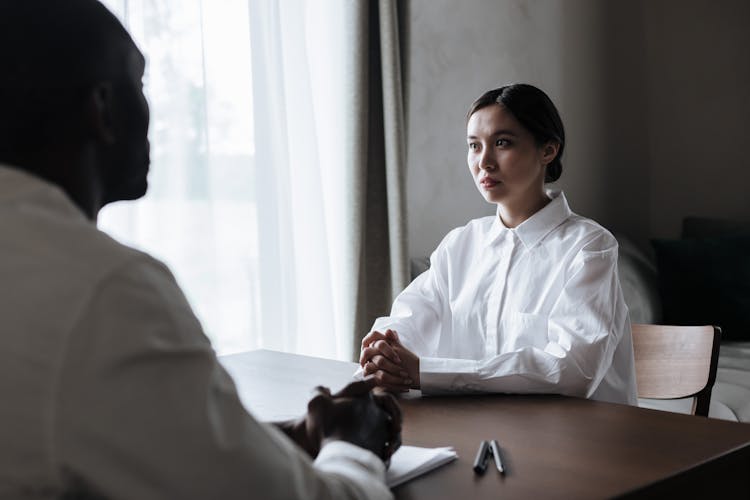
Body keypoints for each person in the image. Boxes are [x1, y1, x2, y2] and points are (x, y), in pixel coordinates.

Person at [0, 1, 401, 499]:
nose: (156, 114)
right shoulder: (102, 291)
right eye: (141, 84)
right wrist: (353, 443)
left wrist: (282, 443)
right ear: (101, 109)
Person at [359, 84, 637, 405]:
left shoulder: (590, 246)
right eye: (474, 146)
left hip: (576, 442)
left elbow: (573, 371)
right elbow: (411, 317)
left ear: (548, 150)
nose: (485, 162)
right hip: (476, 431)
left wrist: (426, 372)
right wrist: (386, 350)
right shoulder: (461, 244)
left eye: (502, 143)